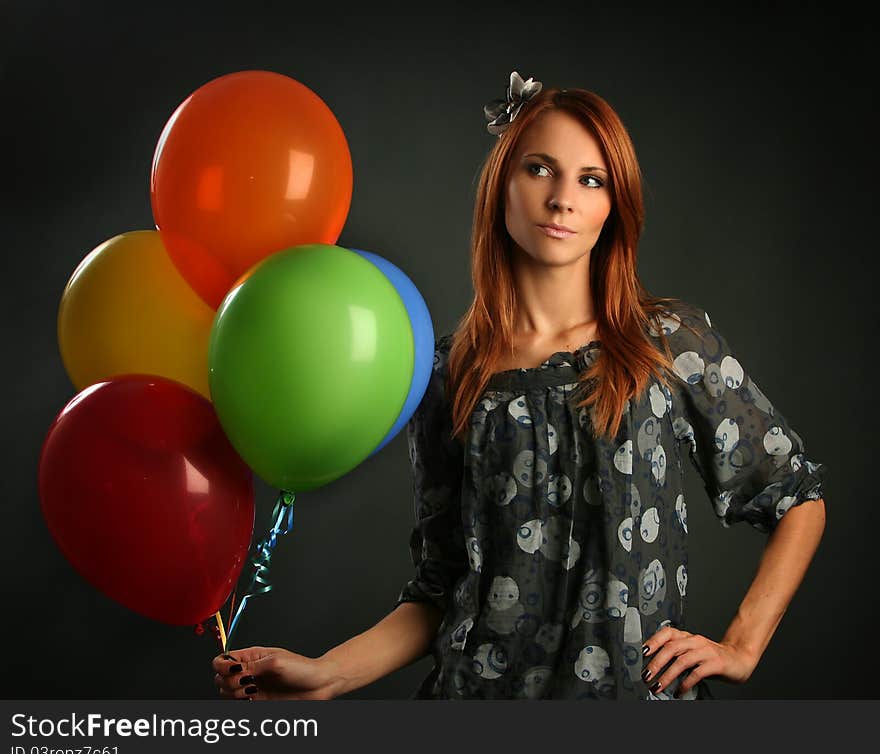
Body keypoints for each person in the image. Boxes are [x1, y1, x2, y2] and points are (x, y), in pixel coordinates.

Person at [212, 71, 827, 700]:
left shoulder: (667, 346)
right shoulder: (448, 375)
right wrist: (324, 676)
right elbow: (442, 587)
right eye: (540, 169)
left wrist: (743, 643)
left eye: (592, 180)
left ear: (614, 207)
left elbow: (795, 495)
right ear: (502, 184)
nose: (562, 199)